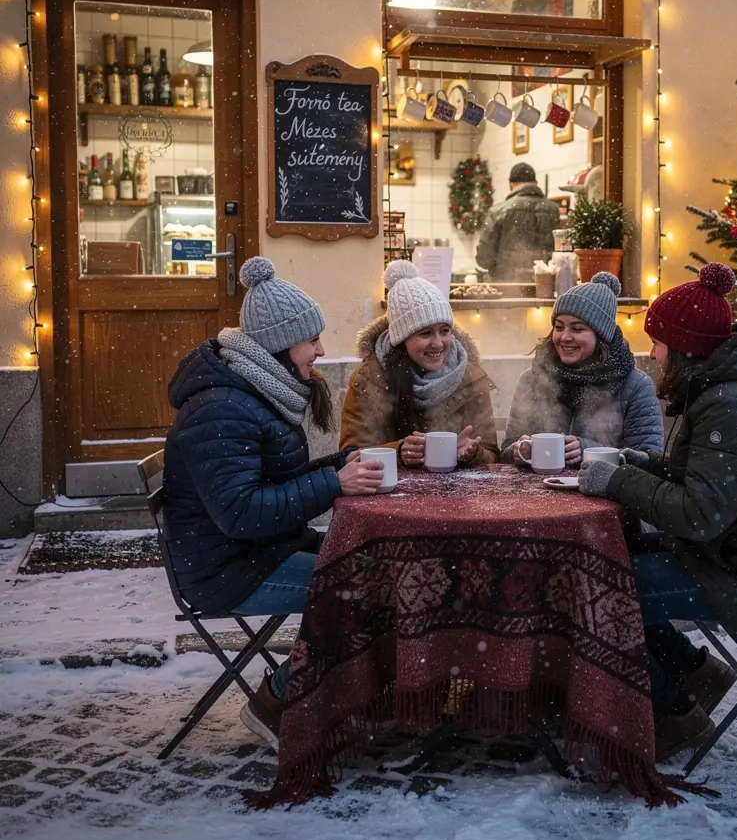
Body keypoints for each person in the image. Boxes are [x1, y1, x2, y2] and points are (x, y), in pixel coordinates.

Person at [578, 263, 737, 762]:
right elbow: (706, 486)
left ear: (686, 348)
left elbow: (699, 514)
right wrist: (637, 461)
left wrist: (617, 480)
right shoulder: (729, 392)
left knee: (599, 583)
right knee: (615, 552)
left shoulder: (732, 406)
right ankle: (697, 670)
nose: (653, 354)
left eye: (659, 344)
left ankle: (673, 713)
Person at [163, 256, 384, 750]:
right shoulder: (223, 408)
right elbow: (242, 513)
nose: (322, 351)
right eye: (312, 340)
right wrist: (334, 485)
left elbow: (270, 484)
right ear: (279, 345)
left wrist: (339, 466)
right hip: (229, 571)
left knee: (377, 571)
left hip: (259, 552)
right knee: (364, 590)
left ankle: (335, 696)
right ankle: (277, 700)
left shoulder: (253, 391)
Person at [340, 260, 500, 466]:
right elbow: (351, 457)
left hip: (458, 495)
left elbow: (493, 455)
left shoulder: (470, 377)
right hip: (389, 493)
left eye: (444, 330)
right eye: (425, 333)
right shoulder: (369, 380)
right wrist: (398, 452)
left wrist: (473, 453)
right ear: (401, 339)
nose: (438, 343)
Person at [501, 271, 663, 468]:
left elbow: (649, 460)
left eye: (577, 329)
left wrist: (588, 451)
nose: (564, 337)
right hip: (537, 494)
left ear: (601, 336)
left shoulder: (635, 385)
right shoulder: (533, 379)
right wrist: (518, 452)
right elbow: (506, 451)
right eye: (559, 327)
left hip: (606, 495)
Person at [475, 161, 561, 282]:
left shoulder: (498, 211)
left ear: (511, 185)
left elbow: (484, 258)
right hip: (544, 286)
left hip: (508, 288)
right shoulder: (554, 210)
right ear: (535, 183)